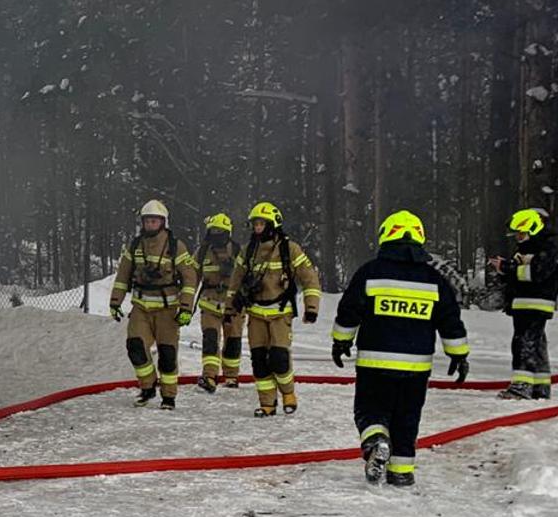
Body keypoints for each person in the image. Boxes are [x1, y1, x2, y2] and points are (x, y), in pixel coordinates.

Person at [331, 210, 470, 486]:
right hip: (416, 368)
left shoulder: (370, 272)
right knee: (407, 418)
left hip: (375, 363)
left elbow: (349, 310)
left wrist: (341, 341)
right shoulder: (433, 279)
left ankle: (376, 440)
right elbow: (450, 319)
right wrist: (459, 354)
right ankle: (402, 473)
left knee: (370, 409)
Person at [230, 201, 322, 417]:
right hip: (256, 314)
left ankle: (288, 393)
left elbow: (310, 279)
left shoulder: (289, 249)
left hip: (280, 314)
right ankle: (267, 404)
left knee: (279, 358)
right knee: (260, 362)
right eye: (255, 224)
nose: (257, 228)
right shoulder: (248, 251)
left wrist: (311, 307)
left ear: (273, 224)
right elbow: (235, 280)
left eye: (261, 223)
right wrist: (230, 307)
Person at [106, 200, 199, 409]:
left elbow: (190, 279)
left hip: (167, 311)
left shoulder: (175, 247)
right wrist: (115, 302)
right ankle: (147, 386)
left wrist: (186, 308)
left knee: (167, 354)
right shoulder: (135, 246)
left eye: (154, 221)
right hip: (141, 308)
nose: (150, 224)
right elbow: (123, 276)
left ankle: (168, 396)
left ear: (163, 222)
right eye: (147, 220)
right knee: (135, 346)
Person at [494, 208, 555, 399]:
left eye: (521, 234)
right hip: (523, 302)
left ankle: (522, 386)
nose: (518, 238)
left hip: (535, 302)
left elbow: (537, 273)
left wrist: (508, 268)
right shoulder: (529, 249)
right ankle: (540, 387)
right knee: (535, 344)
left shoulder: (548, 247)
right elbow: (518, 275)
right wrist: (506, 270)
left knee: (524, 342)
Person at [194, 214, 246, 393]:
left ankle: (231, 376)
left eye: (220, 232)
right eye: (213, 232)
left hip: (234, 306)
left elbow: (248, 278)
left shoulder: (239, 251)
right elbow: (192, 276)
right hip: (209, 303)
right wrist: (184, 301)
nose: (216, 236)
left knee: (233, 340)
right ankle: (209, 376)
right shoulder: (202, 252)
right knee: (210, 339)